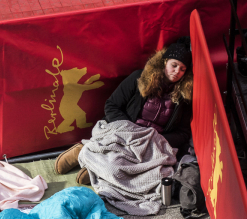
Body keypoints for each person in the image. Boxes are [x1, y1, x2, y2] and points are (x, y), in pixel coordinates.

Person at [54, 37, 194, 184]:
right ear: (165, 62)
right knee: (117, 148)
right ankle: (82, 151)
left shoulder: (184, 97)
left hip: (151, 141)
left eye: (182, 69)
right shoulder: (139, 78)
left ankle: (97, 167)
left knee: (151, 173)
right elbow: (112, 105)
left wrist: (157, 139)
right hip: (125, 130)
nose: (177, 71)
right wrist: (129, 130)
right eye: (174, 65)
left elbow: (183, 133)